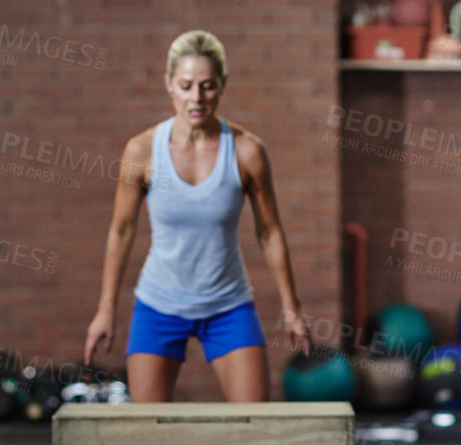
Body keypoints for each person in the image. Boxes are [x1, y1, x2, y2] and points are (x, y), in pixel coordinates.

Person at [84, 30, 312, 401]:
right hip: (158, 303)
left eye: (208, 86)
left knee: (255, 426)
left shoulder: (246, 151)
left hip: (227, 304)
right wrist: (105, 309)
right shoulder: (141, 151)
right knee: (147, 434)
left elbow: (269, 232)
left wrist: (292, 308)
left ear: (222, 85)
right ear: (169, 85)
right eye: (186, 85)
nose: (197, 98)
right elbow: (122, 231)